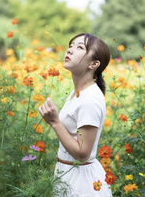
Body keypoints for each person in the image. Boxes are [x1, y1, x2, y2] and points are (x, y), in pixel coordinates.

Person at [38, 33, 112, 197]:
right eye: (71, 46)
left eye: (80, 48)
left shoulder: (89, 100)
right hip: (70, 174)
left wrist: (55, 122)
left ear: (94, 64)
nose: (70, 50)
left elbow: (83, 154)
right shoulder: (79, 92)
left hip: (81, 182)